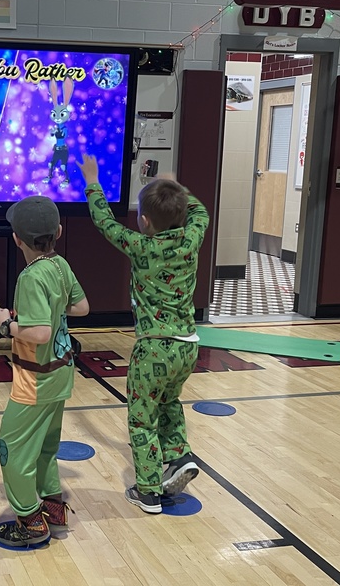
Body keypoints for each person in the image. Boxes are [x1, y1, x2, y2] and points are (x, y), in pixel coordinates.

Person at [77, 153, 210, 514]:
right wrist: (177, 188)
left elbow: (105, 223)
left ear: (145, 221)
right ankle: (179, 456)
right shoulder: (191, 239)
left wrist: (92, 182)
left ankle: (148, 490)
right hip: (187, 346)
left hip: (154, 348)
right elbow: (200, 213)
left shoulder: (142, 246)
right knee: (168, 403)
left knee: (142, 418)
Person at [0, 195, 90, 546]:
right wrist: (48, 311)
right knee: (46, 446)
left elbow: (40, 334)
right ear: (58, 232)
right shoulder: (60, 265)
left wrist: (6, 325)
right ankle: (53, 509)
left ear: (16, 239)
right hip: (61, 373)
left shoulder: (31, 277)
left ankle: (30, 521)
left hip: (35, 379)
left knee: (11, 446)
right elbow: (82, 307)